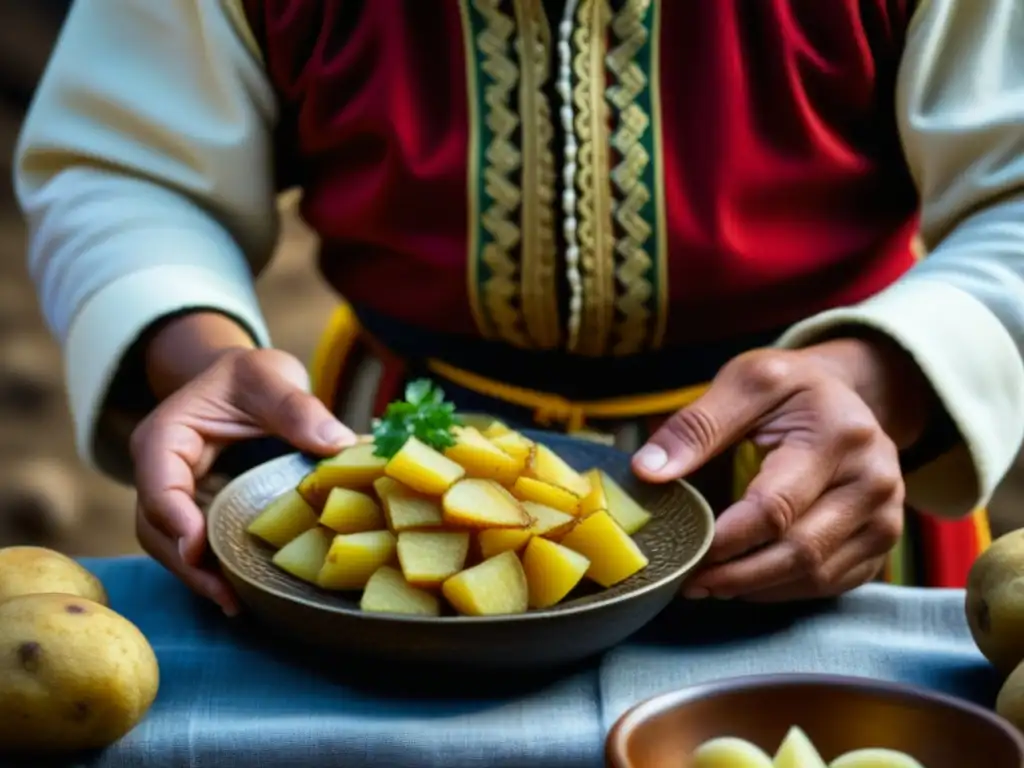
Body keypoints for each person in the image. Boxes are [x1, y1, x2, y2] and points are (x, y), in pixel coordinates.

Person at [15, 0, 1024, 616]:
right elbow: (127, 165)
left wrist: (882, 373)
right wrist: (191, 352)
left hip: (819, 487)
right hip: (396, 496)